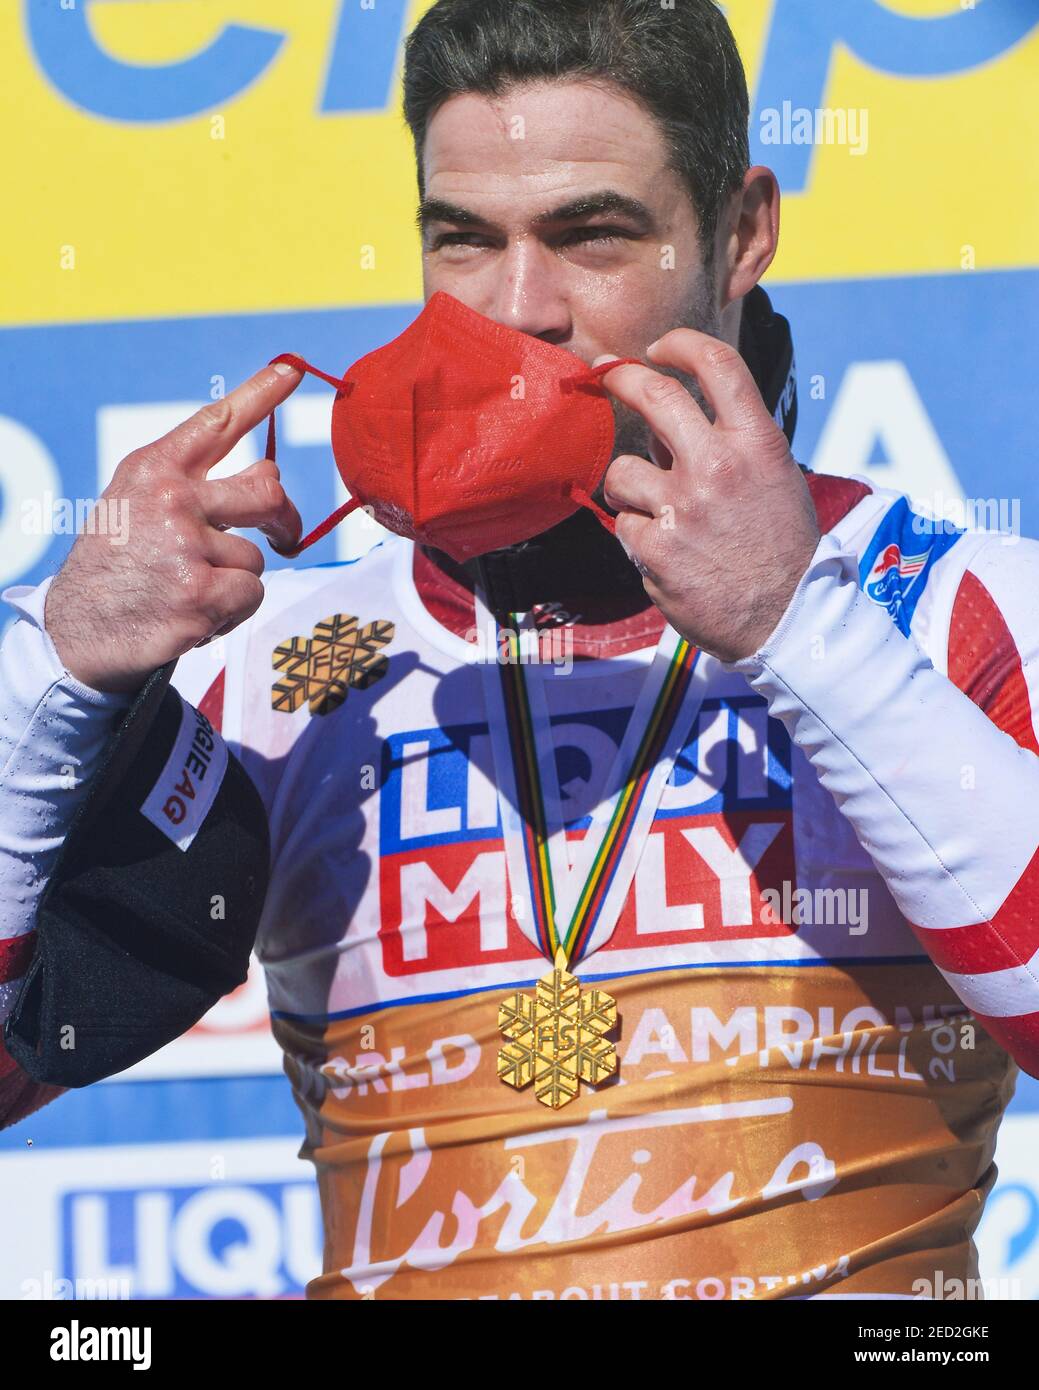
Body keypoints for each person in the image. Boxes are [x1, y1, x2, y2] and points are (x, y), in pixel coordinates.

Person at [3, 0, 1038, 1300]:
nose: (519, 309)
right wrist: (51, 675)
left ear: (742, 231)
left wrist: (800, 630)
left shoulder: (949, 610)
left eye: (592, 235)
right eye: (463, 241)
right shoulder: (275, 666)